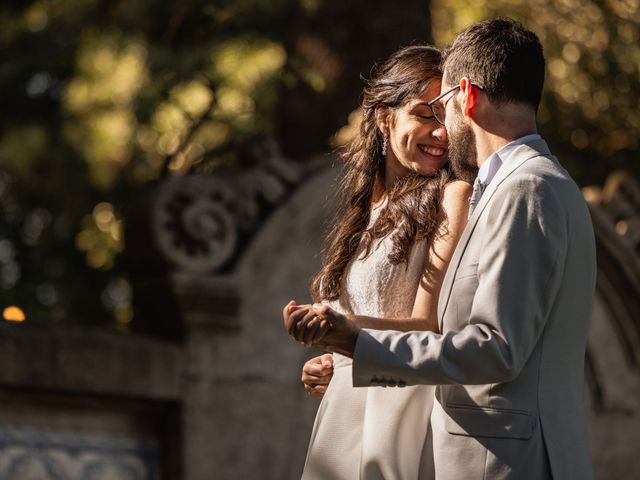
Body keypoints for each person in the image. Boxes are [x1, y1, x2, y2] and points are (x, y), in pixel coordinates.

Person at [285, 18, 597, 480]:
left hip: (507, 461)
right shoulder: (509, 187)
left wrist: (354, 341)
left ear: (466, 96)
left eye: (443, 104)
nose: (444, 127)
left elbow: (496, 349)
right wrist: (348, 361)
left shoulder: (526, 188)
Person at [284, 45, 471, 479]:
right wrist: (326, 364)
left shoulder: (451, 197)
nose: (441, 133)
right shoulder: (362, 213)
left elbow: (430, 327)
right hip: (344, 414)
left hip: (403, 415)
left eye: (447, 118)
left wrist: (345, 334)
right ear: (385, 117)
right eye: (425, 114)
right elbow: (359, 321)